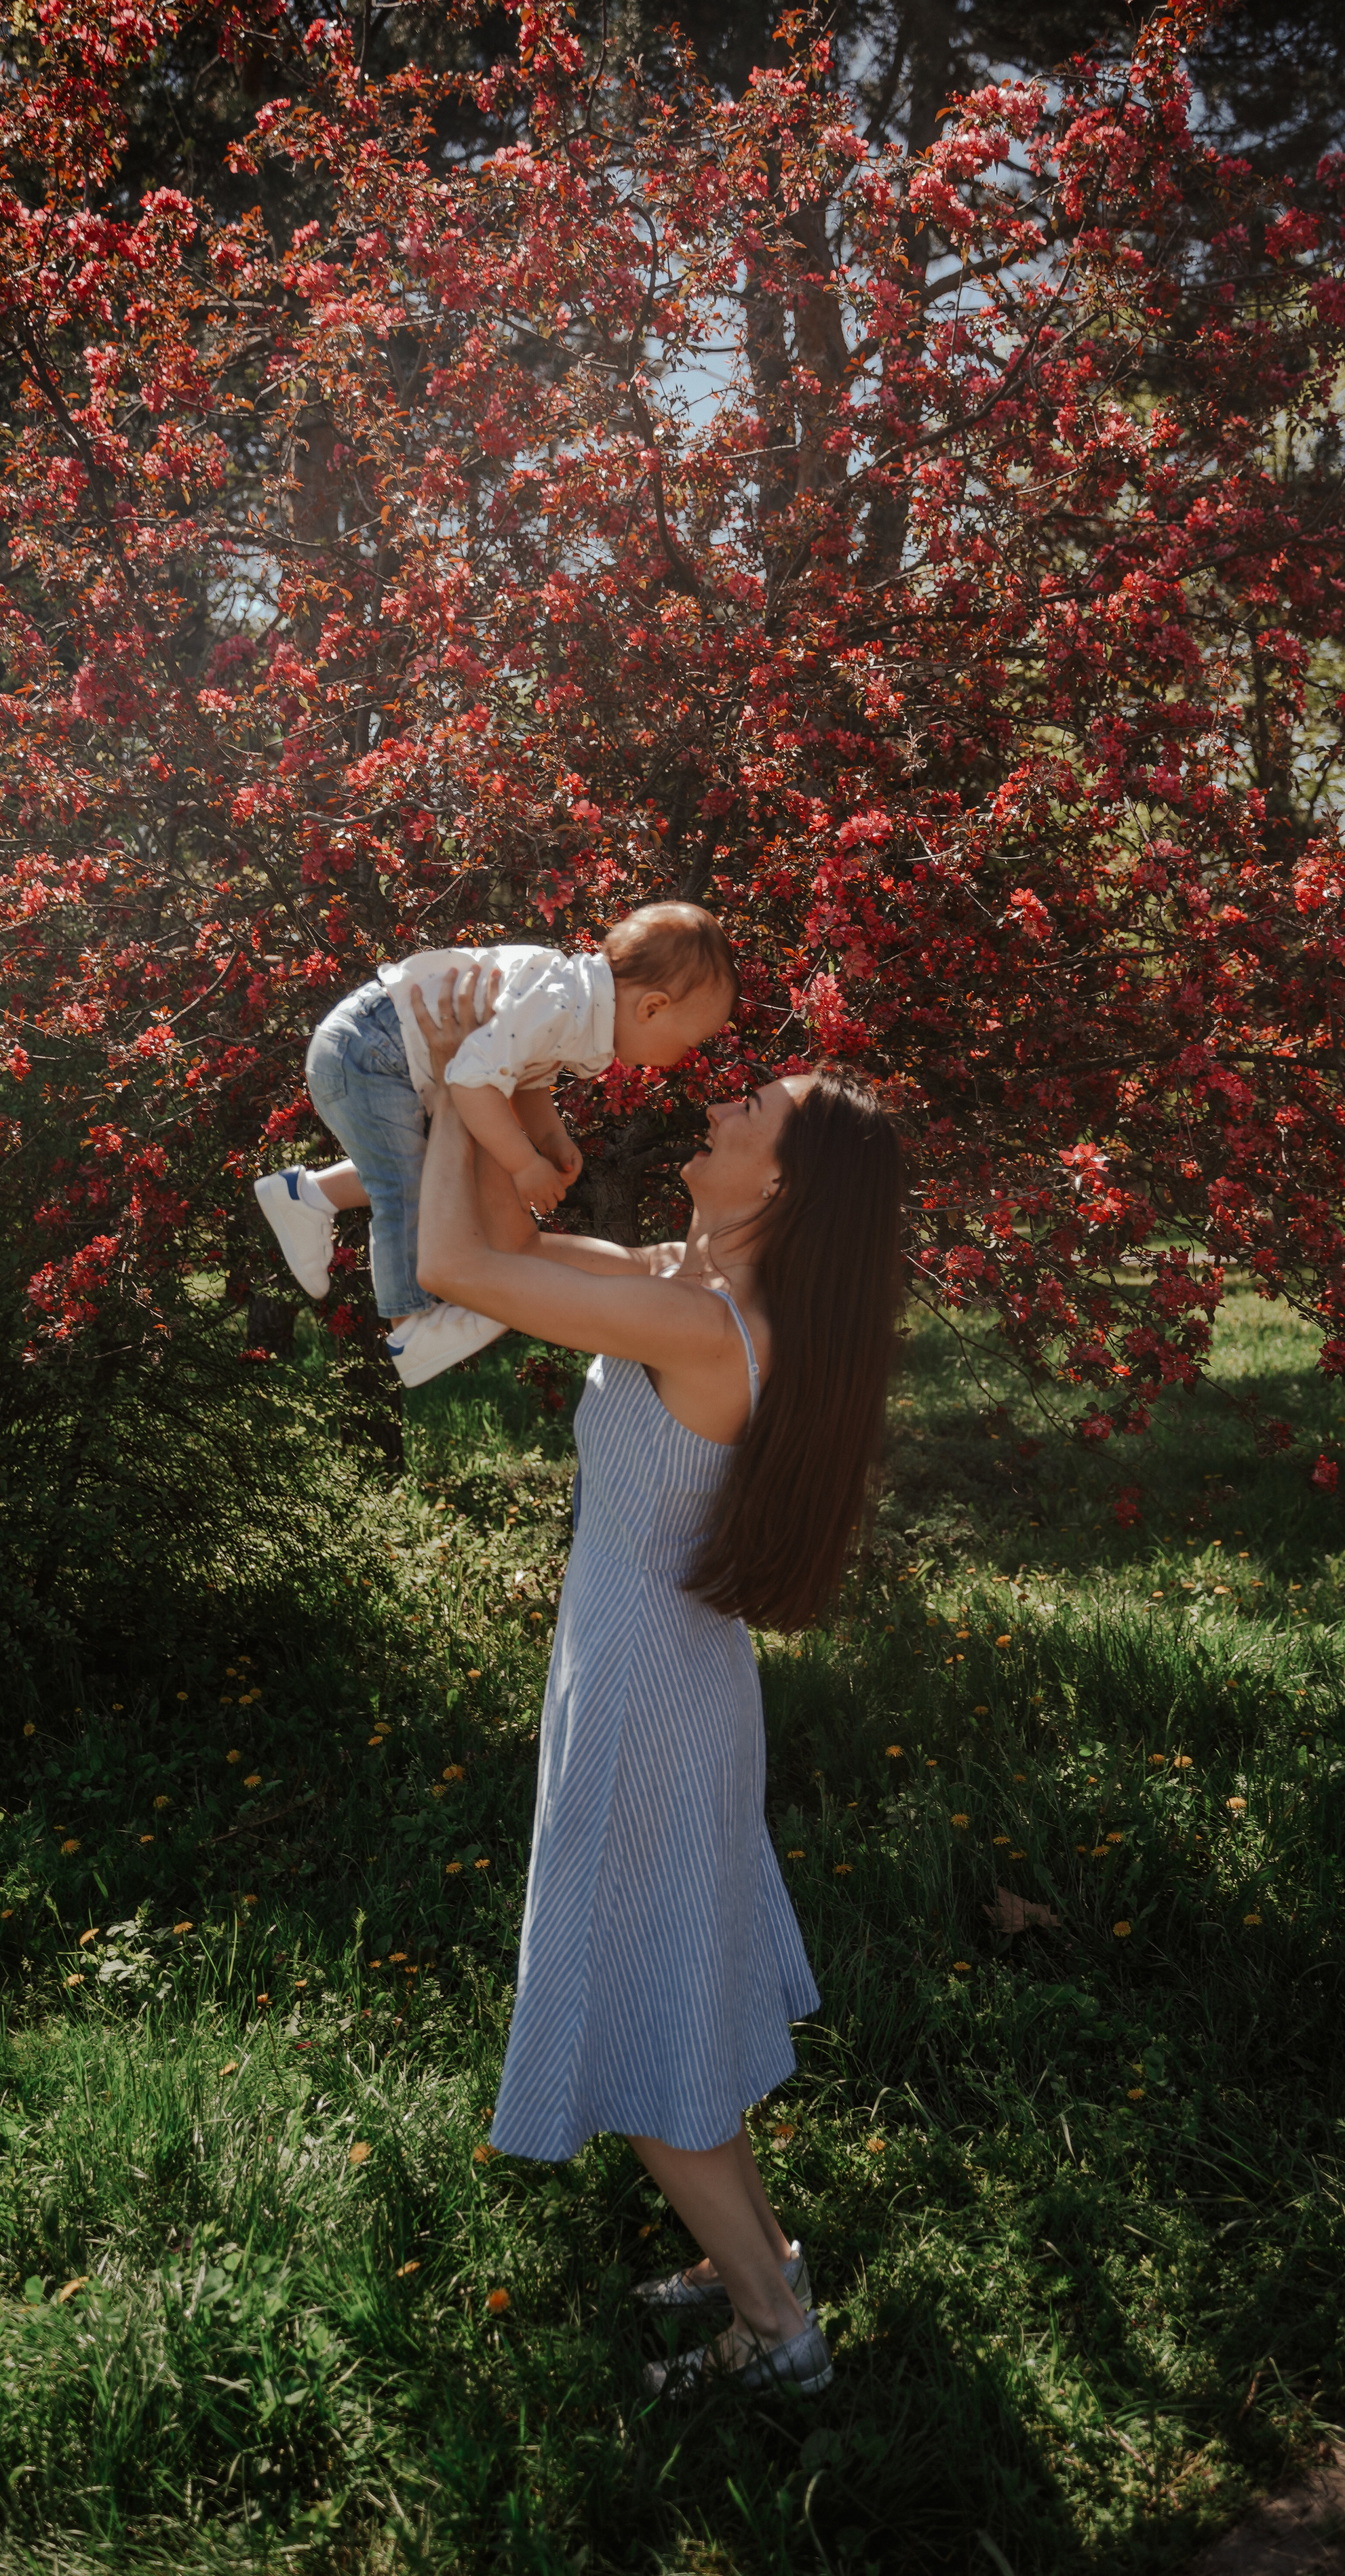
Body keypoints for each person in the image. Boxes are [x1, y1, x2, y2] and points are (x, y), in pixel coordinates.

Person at [411, 968, 905, 2399]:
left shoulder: (705, 1331)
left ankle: (774, 2333)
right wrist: (518, 1104)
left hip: (643, 1692)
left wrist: (461, 1075)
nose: (721, 1097)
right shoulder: (692, 1289)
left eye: (750, 1109)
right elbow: (515, 1230)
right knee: (679, 1984)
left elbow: (458, 1267)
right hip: (667, 1679)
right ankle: (758, 2256)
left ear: (782, 1190)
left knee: (632, 2011)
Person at [254, 902, 737, 1387]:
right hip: (370, 1051)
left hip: (379, 1049)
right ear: (652, 1007)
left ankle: (307, 1195)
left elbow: (521, 1076)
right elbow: (471, 1081)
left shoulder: (577, 1005)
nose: (684, 1057)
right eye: (690, 1042)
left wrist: (550, 1138)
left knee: (425, 1175)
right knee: (402, 1189)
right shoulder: (564, 1004)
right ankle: (409, 1328)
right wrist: (525, 1164)